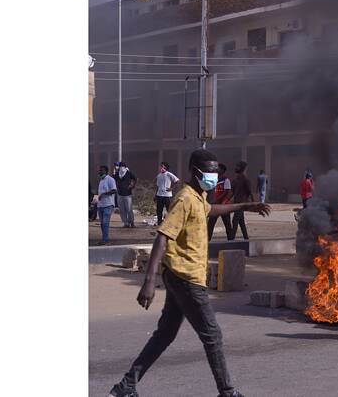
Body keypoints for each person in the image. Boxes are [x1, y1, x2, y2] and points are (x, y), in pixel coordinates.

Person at [108, 148, 269, 397]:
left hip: (179, 275)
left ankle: (126, 386)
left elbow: (210, 210)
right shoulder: (184, 199)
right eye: (211, 172)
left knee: (165, 334)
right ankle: (227, 392)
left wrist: (247, 205)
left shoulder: (197, 196)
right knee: (213, 335)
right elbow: (162, 236)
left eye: (217, 171)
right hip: (186, 278)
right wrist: (148, 282)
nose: (215, 176)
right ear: (196, 172)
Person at [207, 163, 234, 241]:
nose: (216, 170)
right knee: (210, 224)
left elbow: (226, 192)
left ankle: (230, 240)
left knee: (227, 224)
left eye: (218, 168)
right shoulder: (215, 179)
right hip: (215, 206)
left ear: (222, 170)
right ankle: (207, 240)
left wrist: (218, 200)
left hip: (223, 205)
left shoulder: (226, 180)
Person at [230, 161, 253, 240]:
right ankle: (246, 238)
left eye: (238, 166)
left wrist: (253, 204)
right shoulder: (235, 180)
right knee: (241, 222)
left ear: (242, 168)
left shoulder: (245, 180)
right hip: (236, 203)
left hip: (241, 204)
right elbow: (231, 192)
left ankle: (231, 239)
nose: (236, 168)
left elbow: (249, 192)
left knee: (235, 221)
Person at [95, 165, 117, 245]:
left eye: (101, 170)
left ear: (106, 171)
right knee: (102, 223)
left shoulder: (110, 180)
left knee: (105, 222)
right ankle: (104, 238)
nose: (100, 172)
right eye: (99, 170)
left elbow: (114, 190)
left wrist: (104, 194)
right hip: (100, 205)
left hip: (108, 204)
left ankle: (105, 240)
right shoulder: (101, 180)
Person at [114, 161, 138, 228]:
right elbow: (114, 180)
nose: (119, 168)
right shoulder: (117, 174)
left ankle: (132, 222)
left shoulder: (128, 173)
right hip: (120, 194)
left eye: (121, 166)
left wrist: (132, 185)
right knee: (122, 210)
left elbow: (135, 179)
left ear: (124, 167)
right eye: (119, 166)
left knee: (129, 209)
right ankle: (125, 223)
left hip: (127, 194)